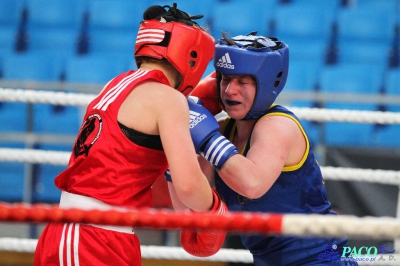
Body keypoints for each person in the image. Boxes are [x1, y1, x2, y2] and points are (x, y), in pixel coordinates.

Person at [34, 3, 227, 266]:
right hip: (91, 236)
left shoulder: (115, 84)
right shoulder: (167, 99)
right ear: (192, 54)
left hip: (99, 233)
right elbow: (188, 185)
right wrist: (216, 211)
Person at [170, 32, 358, 265]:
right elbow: (189, 207)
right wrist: (176, 140)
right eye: (225, 79)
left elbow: (251, 183)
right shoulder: (218, 132)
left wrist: (204, 136)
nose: (229, 90)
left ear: (268, 81)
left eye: (242, 81)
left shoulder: (278, 125)